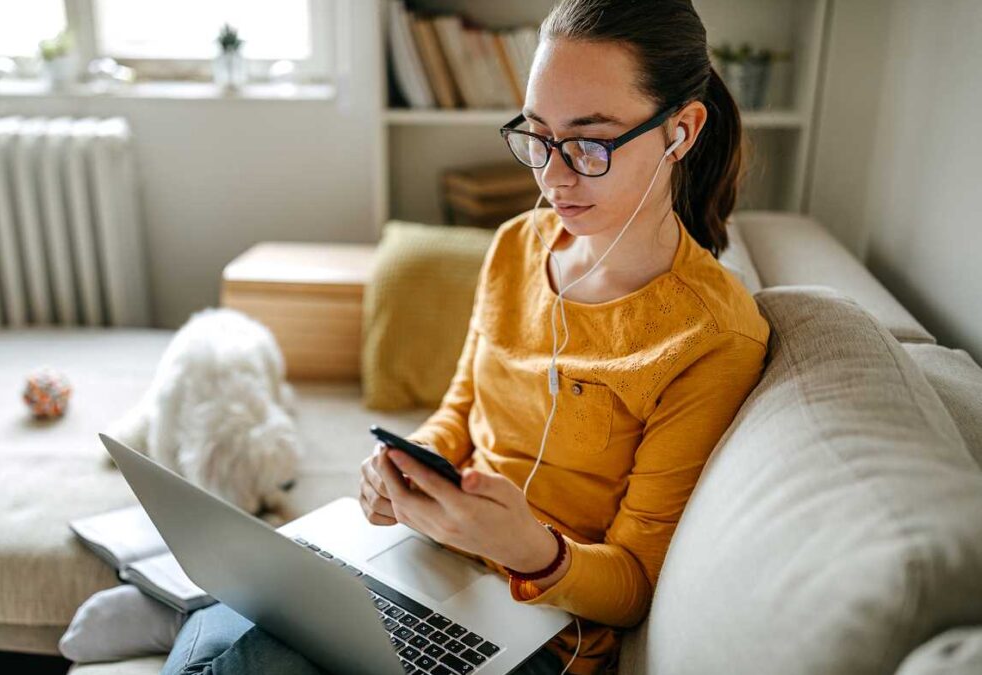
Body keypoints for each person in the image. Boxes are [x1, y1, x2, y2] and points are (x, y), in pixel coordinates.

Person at [162, 1, 769, 673]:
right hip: (426, 561)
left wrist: (533, 547)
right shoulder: (517, 245)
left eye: (590, 144)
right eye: (538, 136)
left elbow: (633, 586)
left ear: (680, 130)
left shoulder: (710, 334)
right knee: (250, 593)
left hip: (543, 632)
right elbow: (460, 410)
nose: (554, 176)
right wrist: (407, 465)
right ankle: (197, 614)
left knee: (229, 657)